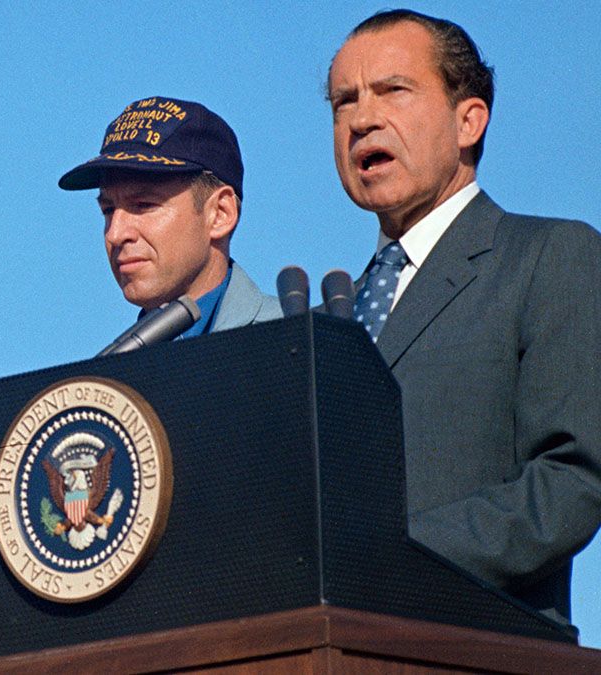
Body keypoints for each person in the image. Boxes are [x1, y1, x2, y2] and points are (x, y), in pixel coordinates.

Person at [328, 9, 601, 627]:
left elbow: (572, 482)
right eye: (344, 101)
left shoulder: (549, 257)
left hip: (480, 644)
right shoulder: (328, 319)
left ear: (468, 120)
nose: (362, 118)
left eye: (392, 90)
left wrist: (389, 558)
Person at [59, 95, 281, 335]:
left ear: (220, 213)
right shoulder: (110, 369)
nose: (115, 233)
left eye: (143, 205)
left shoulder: (298, 343)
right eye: (108, 210)